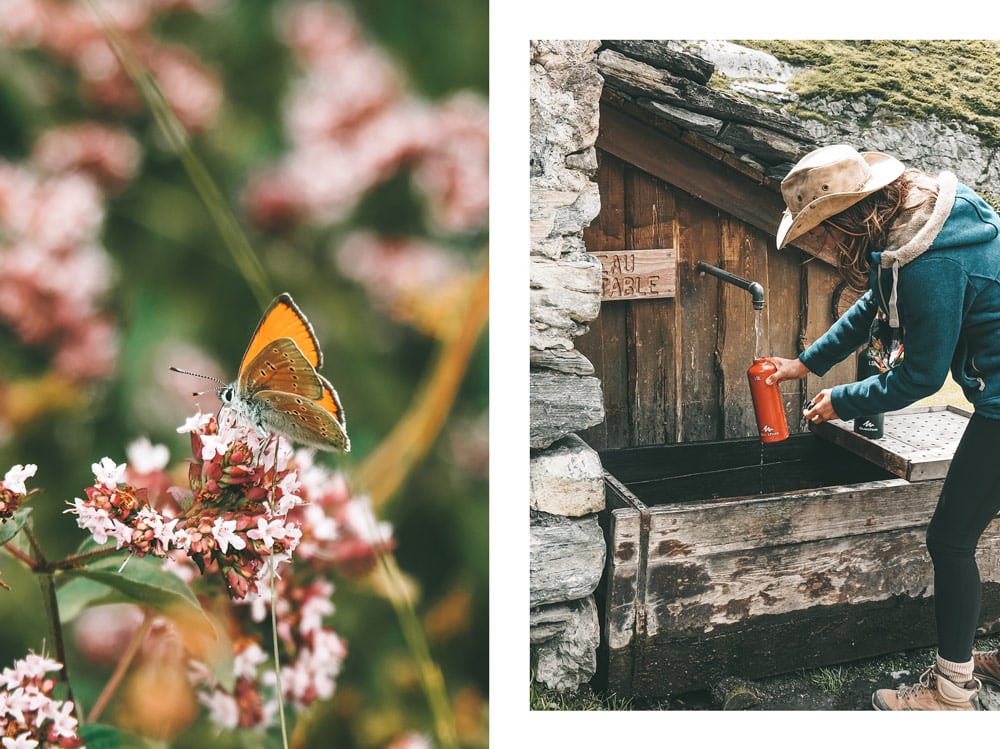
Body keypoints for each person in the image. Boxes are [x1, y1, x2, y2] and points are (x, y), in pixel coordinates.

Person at [766, 143, 1000, 710]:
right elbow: (876, 302)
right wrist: (807, 362)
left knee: (949, 539)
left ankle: (951, 695)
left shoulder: (929, 262)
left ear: (849, 219)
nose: (822, 244)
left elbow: (920, 376)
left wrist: (841, 401)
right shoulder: (930, 217)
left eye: (822, 231)